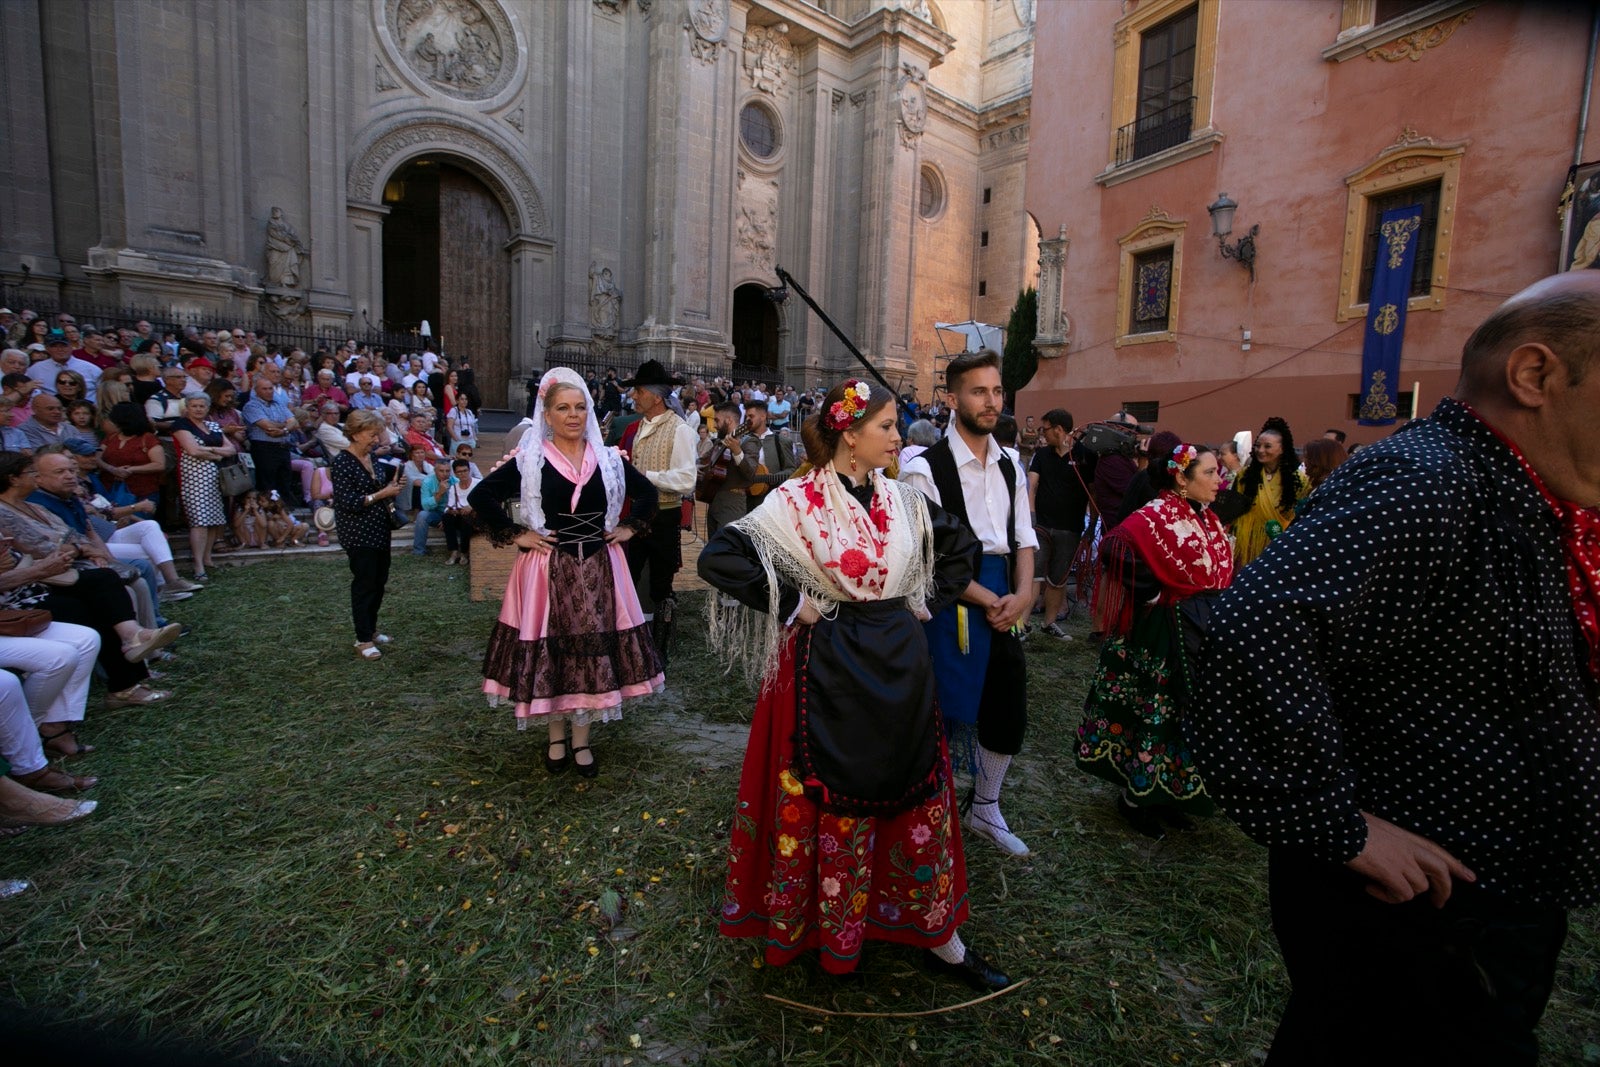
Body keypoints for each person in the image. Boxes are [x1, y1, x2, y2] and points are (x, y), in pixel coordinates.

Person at [1188, 271, 1600, 1065]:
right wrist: (1333, 823)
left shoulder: (1524, 496)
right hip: (1416, 910)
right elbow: (1257, 630)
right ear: (1536, 375)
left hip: (1482, 910)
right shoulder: (1429, 481)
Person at [698, 377, 1011, 990]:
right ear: (849, 435)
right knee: (830, 797)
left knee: (914, 790)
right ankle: (829, 931)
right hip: (826, 669)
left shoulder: (903, 502)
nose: (898, 438)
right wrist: (794, 602)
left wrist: (919, 598)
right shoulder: (795, 502)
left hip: (900, 664)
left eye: (895, 426)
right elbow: (720, 558)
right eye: (887, 427)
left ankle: (936, 934)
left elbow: (960, 548)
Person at [469, 369, 664, 778]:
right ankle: (555, 737)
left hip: (599, 568)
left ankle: (581, 739)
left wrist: (630, 527)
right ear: (548, 413)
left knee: (589, 652)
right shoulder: (531, 460)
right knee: (550, 649)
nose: (572, 415)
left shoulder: (608, 459)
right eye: (563, 408)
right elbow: (481, 495)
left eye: (580, 407)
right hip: (546, 569)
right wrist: (516, 533)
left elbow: (647, 493)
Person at [900, 351, 1037, 858]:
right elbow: (926, 557)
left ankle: (985, 808)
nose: (992, 401)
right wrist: (989, 600)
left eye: (997, 391)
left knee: (1007, 704)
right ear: (952, 398)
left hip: (1005, 592)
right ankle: (925, 813)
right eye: (980, 392)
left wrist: (1022, 597)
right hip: (953, 598)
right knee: (944, 706)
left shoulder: (1011, 464)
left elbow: (1023, 538)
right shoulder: (924, 470)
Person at [1074, 433, 1232, 839]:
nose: (1220, 480)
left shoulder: (1206, 516)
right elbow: (1114, 547)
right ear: (1182, 478)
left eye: (1219, 472)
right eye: (1211, 473)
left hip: (1197, 633)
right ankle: (1136, 797)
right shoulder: (1156, 513)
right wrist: (1154, 591)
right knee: (1153, 715)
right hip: (1159, 636)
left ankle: (1170, 794)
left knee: (1183, 719)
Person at [0, 452, 179, 708]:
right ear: (13, 479)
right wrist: (79, 549)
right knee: (99, 593)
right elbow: (42, 547)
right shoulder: (4, 513)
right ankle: (129, 663)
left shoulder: (34, 506)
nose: (36, 477)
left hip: (54, 576)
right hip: (29, 589)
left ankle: (131, 665)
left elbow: (72, 536)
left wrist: (80, 548)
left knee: (106, 588)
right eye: (32, 473)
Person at [618, 360, 698, 663]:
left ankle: (658, 650)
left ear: (655, 395)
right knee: (629, 575)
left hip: (665, 516)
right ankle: (634, 641)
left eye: (638, 391)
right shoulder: (637, 428)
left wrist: (645, 475)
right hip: (638, 515)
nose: (634, 396)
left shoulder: (680, 430)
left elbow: (686, 480)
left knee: (661, 584)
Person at [330, 410, 402, 660]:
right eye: (372, 435)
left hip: (380, 530)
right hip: (358, 534)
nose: (376, 440)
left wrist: (392, 488)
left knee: (379, 582)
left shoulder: (372, 459)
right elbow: (348, 501)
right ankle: (362, 639)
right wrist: (382, 494)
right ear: (357, 433)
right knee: (364, 585)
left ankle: (370, 630)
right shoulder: (342, 462)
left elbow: (379, 487)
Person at [1026, 408, 1095, 640]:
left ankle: (1049, 623)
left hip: (1070, 527)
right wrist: (1032, 516)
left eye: (1045, 429)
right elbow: (1032, 484)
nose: (1042, 434)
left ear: (1058, 429)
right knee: (1034, 574)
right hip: (1042, 525)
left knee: (1058, 578)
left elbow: (1093, 492)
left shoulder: (1086, 456)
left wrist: (1092, 524)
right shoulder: (1042, 455)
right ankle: (1023, 625)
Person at [171, 393, 236, 581]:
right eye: (194, 406)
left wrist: (210, 451)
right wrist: (217, 454)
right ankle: (198, 565)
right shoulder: (181, 425)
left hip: (217, 477)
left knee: (214, 519)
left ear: (207, 408)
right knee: (199, 520)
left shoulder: (213, 426)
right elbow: (191, 450)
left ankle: (207, 559)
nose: (198, 409)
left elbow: (231, 449)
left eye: (201, 406)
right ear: (187, 408)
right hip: (194, 478)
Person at [1226, 416, 1306, 568]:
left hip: (1278, 543)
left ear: (1282, 448)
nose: (1260, 450)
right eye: (1257, 446)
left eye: (1267, 446)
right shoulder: (1245, 475)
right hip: (1246, 543)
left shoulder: (1298, 479)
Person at [702, 402, 755, 540]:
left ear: (729, 420)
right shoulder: (719, 442)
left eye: (717, 420)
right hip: (714, 500)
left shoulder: (749, 442)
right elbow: (703, 463)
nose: (714, 425)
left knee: (726, 549)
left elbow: (750, 473)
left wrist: (736, 451)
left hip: (732, 502)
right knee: (712, 551)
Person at [737, 396, 796, 510]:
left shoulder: (781, 441)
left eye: (751, 416)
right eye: (746, 416)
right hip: (745, 501)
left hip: (772, 502)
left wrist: (773, 478)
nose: (747, 420)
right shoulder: (743, 441)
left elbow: (791, 470)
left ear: (763, 416)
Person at [441, 459, 475, 566]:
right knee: (447, 517)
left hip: (475, 517)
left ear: (469, 470)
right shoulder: (454, 487)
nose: (463, 474)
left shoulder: (478, 484)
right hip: (460, 515)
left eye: (465, 471)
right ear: (455, 473)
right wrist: (452, 511)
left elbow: (486, 503)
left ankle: (464, 553)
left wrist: (471, 507)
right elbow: (449, 506)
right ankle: (454, 551)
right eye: (459, 472)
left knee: (466, 519)